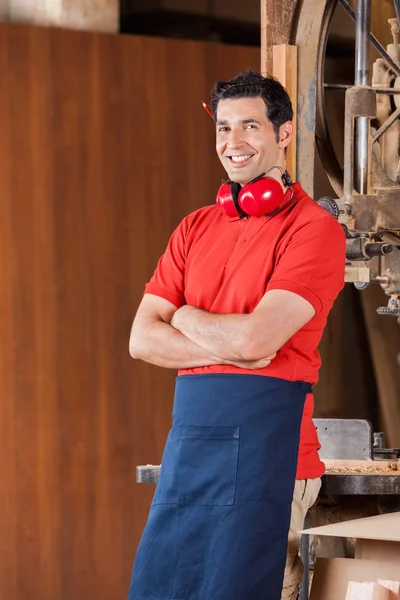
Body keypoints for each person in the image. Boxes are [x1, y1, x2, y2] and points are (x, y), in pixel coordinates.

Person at [128, 70, 345, 600]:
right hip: (190, 453)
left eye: (250, 126)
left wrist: (181, 314)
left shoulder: (313, 229)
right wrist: (234, 342)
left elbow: (255, 340)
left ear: (284, 133)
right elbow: (141, 339)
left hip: (274, 459)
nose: (233, 142)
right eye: (223, 128)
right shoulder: (194, 227)